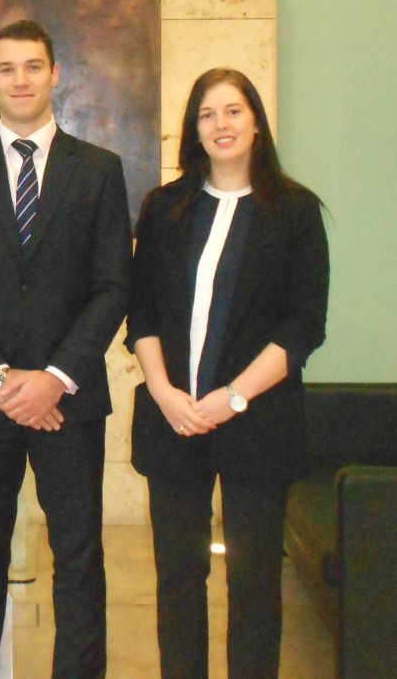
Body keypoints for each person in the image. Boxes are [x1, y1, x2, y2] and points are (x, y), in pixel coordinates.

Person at [0, 19, 132, 678]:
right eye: (7, 68)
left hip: (68, 401)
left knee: (78, 556)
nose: (20, 79)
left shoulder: (98, 170)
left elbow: (112, 286)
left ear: (55, 74)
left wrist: (53, 377)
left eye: (33, 66)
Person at [126, 68, 330, 679]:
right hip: (174, 420)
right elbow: (142, 312)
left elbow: (303, 327)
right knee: (179, 578)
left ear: (256, 122)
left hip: (258, 422)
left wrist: (234, 397)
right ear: (194, 129)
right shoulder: (164, 208)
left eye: (234, 111)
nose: (221, 124)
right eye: (207, 114)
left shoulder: (295, 211)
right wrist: (163, 391)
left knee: (255, 580)